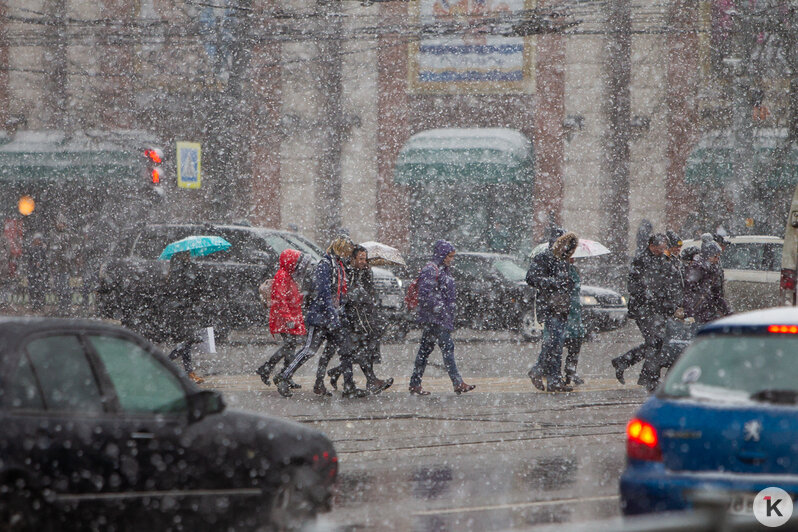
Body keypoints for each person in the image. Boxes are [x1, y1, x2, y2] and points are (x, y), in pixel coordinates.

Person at [274, 236, 368, 399]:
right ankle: (283, 376)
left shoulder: (338, 265)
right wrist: (333, 313)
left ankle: (348, 385)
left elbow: (339, 293)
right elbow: (323, 293)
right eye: (346, 251)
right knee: (309, 350)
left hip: (334, 318)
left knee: (345, 350)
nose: (348, 255)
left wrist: (342, 309)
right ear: (340, 249)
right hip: (321, 318)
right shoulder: (325, 265)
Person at [611, 234, 680, 390]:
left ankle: (626, 363)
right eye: (660, 247)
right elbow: (633, 285)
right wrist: (647, 293)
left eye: (664, 248)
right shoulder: (641, 260)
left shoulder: (664, 260)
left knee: (657, 342)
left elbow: (668, 282)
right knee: (655, 341)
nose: (662, 250)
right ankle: (649, 377)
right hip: (644, 309)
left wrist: (668, 300)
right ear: (651, 246)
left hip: (658, 308)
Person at [409, 240, 475, 396]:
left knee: (425, 351)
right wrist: (440, 308)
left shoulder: (444, 270)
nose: (451, 259)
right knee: (447, 348)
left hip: (439, 317)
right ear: (442, 254)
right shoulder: (431, 270)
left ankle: (415, 383)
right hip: (436, 318)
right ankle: (457, 382)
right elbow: (426, 294)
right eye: (449, 256)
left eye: (452, 256)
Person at [328, 246, 393, 394]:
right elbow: (346, 293)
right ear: (353, 259)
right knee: (359, 349)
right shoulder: (345, 272)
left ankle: (340, 372)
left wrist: (366, 274)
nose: (364, 261)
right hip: (352, 319)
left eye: (365, 258)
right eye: (361, 258)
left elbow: (369, 291)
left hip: (365, 316)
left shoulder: (365, 272)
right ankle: (370, 380)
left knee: (364, 349)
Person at [526, 229, 578, 392]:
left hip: (561, 307)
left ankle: (549, 376)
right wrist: (555, 282)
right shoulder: (544, 257)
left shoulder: (563, 260)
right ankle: (547, 375)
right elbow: (531, 278)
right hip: (550, 306)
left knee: (556, 343)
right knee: (553, 343)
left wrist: (567, 283)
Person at [255, 249, 312, 389]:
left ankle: (284, 374)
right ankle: (272, 370)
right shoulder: (282, 276)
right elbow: (280, 300)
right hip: (284, 318)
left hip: (289, 316)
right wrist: (288, 318)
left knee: (290, 346)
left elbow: (288, 297)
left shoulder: (288, 276)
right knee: (289, 346)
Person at [163, 251, 209, 384]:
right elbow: (181, 291)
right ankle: (166, 364)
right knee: (186, 342)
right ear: (181, 255)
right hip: (181, 313)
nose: (189, 255)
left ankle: (187, 371)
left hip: (185, 312)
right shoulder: (181, 271)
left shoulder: (184, 269)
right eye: (187, 253)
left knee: (186, 343)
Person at [684, 235, 731, 324]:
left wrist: (728, 312)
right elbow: (688, 291)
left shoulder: (712, 269)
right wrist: (688, 314)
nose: (717, 259)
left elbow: (717, 294)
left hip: (708, 310)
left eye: (718, 257)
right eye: (715, 257)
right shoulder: (698, 268)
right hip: (698, 311)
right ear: (707, 256)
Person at [26, 233, 48, 311]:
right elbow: (29, 260)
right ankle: (35, 304)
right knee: (33, 289)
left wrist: (41, 264)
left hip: (40, 272)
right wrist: (34, 264)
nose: (37, 241)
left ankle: (40, 304)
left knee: (40, 288)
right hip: (33, 271)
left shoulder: (42, 249)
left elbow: (45, 259)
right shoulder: (31, 248)